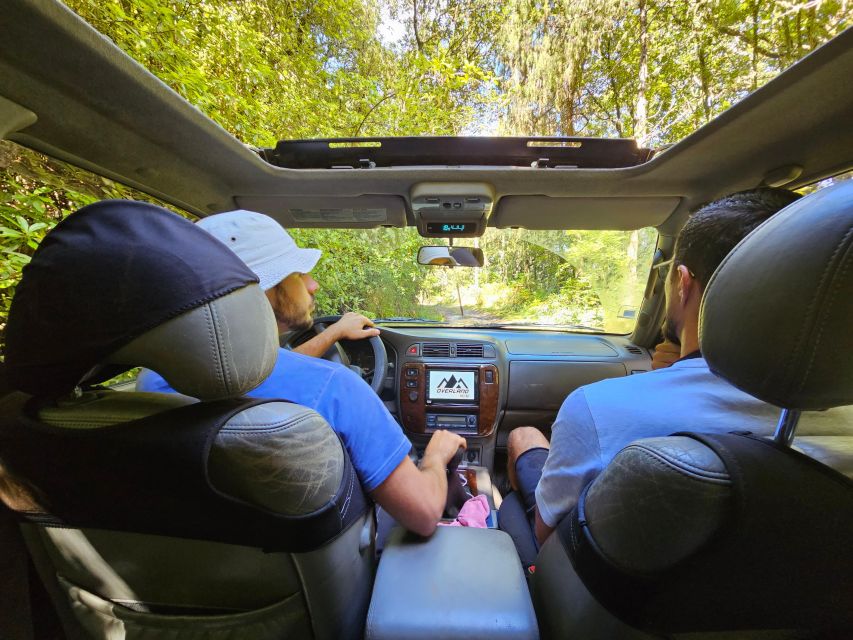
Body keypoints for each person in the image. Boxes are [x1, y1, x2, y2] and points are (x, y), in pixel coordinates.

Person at [499, 188, 817, 565]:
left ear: (683, 283)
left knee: (522, 441)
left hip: (605, 612)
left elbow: (549, 538)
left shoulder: (596, 407)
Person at [138, 210, 465, 537]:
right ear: (259, 290)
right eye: (296, 273)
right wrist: (435, 456)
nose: (313, 283)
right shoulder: (338, 388)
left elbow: (271, 369)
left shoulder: (151, 384)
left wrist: (334, 333)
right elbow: (423, 514)